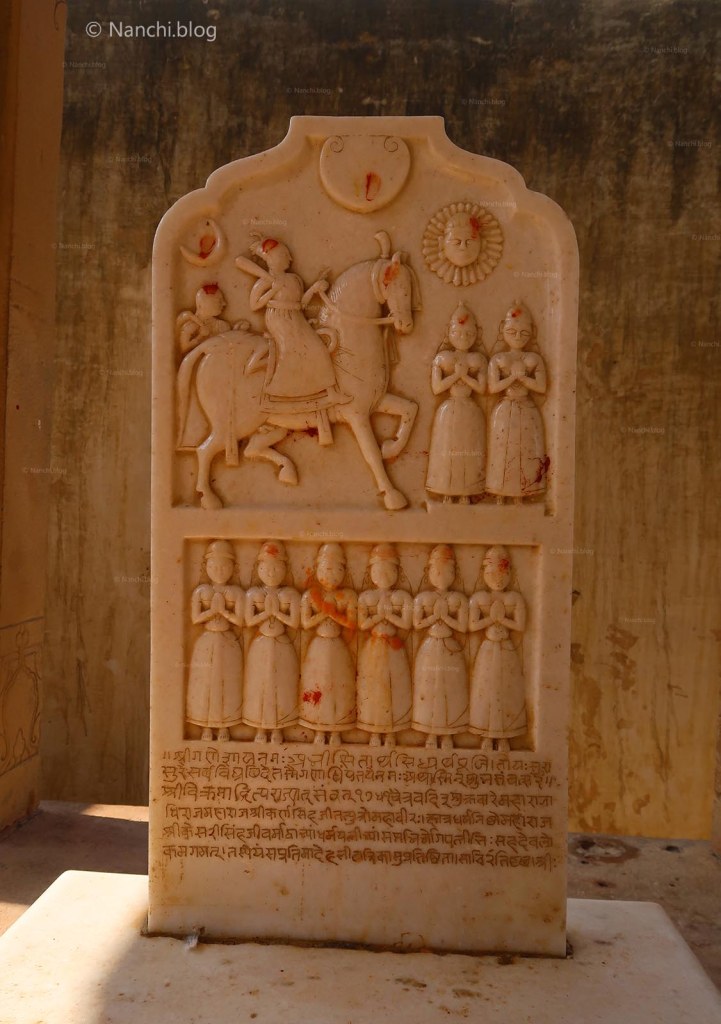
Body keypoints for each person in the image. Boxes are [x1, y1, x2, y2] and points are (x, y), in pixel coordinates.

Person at [235, 237, 350, 444]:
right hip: (278, 318)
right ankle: (280, 393)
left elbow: (301, 303)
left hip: (296, 317)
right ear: (272, 259)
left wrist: (314, 289)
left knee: (317, 347)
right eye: (283, 255)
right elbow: (255, 305)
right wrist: (272, 288)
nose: (288, 259)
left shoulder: (294, 279)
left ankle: (329, 392)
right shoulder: (264, 281)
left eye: (287, 255)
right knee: (294, 349)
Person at [468, 546, 528, 752]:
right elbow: (472, 626)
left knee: (507, 688)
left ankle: (505, 736)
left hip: (506, 649)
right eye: (492, 574)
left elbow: (520, 626)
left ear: (510, 574)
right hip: (487, 648)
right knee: (485, 689)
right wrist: (492, 619)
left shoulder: (514, 598)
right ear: (484, 574)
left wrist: (501, 619)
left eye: (502, 574)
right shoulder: (479, 598)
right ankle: (486, 734)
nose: (498, 579)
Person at [426, 303, 487, 502]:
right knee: (447, 448)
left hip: (470, 410)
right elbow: (437, 388)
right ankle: (446, 491)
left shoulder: (478, 359)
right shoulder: (442, 358)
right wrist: (456, 376)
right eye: (457, 333)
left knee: (468, 449)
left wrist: (465, 376)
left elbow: (481, 388)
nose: (463, 338)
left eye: (469, 334)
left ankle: (466, 492)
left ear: (477, 334)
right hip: (449, 409)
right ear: (448, 332)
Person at [486, 302, 547, 500]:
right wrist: (513, 377)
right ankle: (500, 493)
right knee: (502, 450)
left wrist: (523, 378)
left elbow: (541, 387)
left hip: (528, 409)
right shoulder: (498, 359)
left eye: (524, 332)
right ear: (502, 329)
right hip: (504, 409)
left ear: (532, 332)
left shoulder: (534, 359)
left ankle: (524, 493)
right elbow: (493, 388)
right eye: (512, 331)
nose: (518, 337)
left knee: (527, 450)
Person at [186, 540, 244, 742]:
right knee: (205, 683)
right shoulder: (201, 591)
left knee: (227, 682)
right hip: (207, 641)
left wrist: (224, 612)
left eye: (225, 566)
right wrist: (214, 610)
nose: (219, 570)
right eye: (214, 566)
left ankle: (225, 725)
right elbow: (195, 618)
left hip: (228, 641)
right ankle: (205, 726)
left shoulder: (235, 592)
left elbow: (240, 620)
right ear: (206, 566)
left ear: (233, 568)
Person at [412, 545, 469, 749]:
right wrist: (435, 617)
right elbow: (417, 624)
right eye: (437, 571)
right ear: (428, 572)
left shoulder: (459, 599)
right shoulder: (422, 598)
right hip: (429, 647)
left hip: (451, 648)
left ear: (455, 573)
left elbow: (463, 627)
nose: (441, 575)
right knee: (428, 688)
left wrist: (444, 617)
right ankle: (429, 732)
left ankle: (449, 734)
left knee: (451, 689)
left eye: (447, 571)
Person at [299, 543, 357, 745]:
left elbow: (351, 623)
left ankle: (337, 730)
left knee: (339, 686)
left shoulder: (348, 596)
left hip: (338, 646)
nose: (331, 575)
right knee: (317, 685)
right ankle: (317, 729)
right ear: (318, 570)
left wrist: (333, 614)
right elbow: (306, 623)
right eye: (326, 569)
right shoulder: (311, 596)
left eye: (337, 570)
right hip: (319, 646)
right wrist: (325, 613)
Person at [244, 541, 300, 743]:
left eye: (276, 568)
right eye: (266, 567)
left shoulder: (290, 594)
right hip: (260, 644)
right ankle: (259, 727)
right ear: (258, 568)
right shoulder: (253, 594)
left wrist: (276, 612)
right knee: (259, 684)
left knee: (281, 684)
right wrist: (267, 613)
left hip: (282, 643)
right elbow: (249, 621)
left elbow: (294, 623)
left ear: (285, 569)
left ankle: (279, 728)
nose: (271, 572)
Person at [357, 544, 412, 745]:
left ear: (397, 572)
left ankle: (392, 731)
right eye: (379, 570)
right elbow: (362, 624)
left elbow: (407, 624)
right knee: (373, 687)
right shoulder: (366, 597)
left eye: (389, 570)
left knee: (394, 686)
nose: (384, 575)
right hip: (374, 646)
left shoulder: (402, 597)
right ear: (371, 572)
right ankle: (373, 729)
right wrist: (379, 616)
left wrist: (387, 615)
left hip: (394, 647)